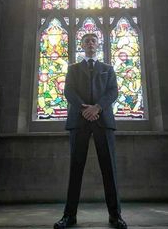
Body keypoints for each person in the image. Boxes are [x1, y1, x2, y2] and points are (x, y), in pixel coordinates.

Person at [54, 33, 127, 229]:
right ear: (82, 45)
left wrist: (98, 108)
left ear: (98, 45)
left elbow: (113, 91)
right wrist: (84, 109)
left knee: (109, 169)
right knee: (75, 169)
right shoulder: (73, 69)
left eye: (93, 41)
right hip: (79, 120)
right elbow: (68, 91)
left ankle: (115, 216)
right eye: (86, 41)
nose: (90, 43)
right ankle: (69, 216)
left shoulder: (108, 69)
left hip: (103, 120)